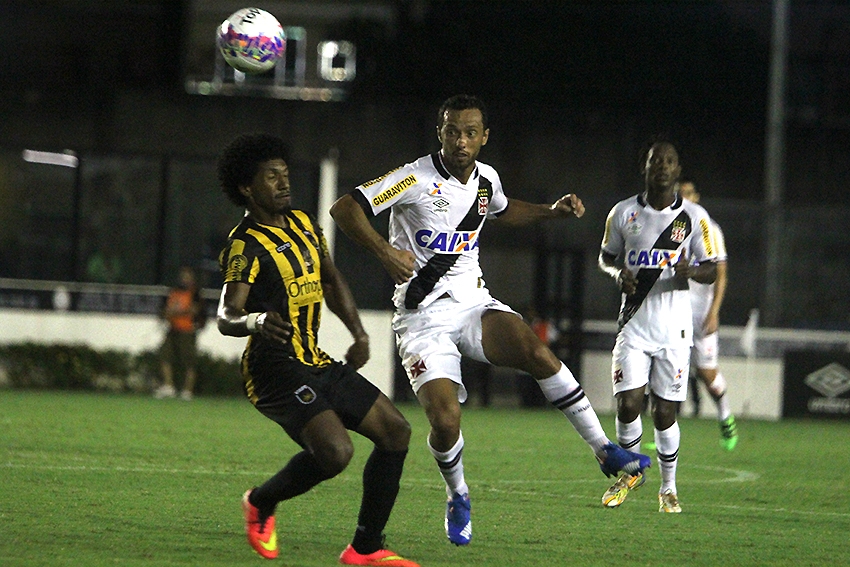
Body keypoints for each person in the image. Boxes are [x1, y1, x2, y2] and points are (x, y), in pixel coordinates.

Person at [330, 94, 650, 546]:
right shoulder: (412, 178)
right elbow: (345, 208)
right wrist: (384, 252)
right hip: (422, 318)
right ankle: (457, 493)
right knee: (445, 421)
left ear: (484, 137)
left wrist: (549, 211)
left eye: (470, 132)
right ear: (439, 132)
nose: (461, 141)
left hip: (472, 304)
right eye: (452, 131)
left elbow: (502, 209)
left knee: (537, 352)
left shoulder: (485, 180)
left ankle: (605, 451)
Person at [215, 133, 419, 567]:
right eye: (271, 177)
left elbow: (329, 279)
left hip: (314, 360)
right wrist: (255, 320)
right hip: (273, 369)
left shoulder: (306, 224)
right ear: (247, 188)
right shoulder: (244, 245)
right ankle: (260, 503)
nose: (283, 183)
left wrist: (359, 334)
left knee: (396, 432)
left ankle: (365, 549)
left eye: (285, 175)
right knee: (335, 453)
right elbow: (225, 316)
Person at [598, 142, 718, 513]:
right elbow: (605, 257)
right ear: (645, 167)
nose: (662, 167)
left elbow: (712, 267)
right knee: (627, 403)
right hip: (633, 324)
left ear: (677, 168)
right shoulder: (622, 213)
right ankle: (630, 473)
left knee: (665, 413)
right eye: (655, 161)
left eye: (669, 161)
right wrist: (618, 273)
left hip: (675, 330)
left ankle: (668, 488)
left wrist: (692, 271)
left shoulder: (696, 217)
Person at [678, 180, 739, 451]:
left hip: (701, 313)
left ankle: (725, 415)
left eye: (688, 194)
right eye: (680, 195)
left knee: (707, 374)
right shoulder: (670, 226)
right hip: (673, 310)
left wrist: (714, 312)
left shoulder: (709, 229)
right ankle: (665, 434)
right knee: (665, 369)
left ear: (696, 196)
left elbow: (721, 274)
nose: (684, 198)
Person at [154, 266, 204, 401]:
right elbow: (164, 309)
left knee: (188, 361)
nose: (184, 279)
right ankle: (168, 386)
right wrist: (167, 314)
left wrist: (176, 312)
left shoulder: (195, 293)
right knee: (165, 355)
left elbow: (195, 310)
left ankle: (188, 390)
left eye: (187, 276)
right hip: (172, 329)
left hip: (187, 330)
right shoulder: (173, 291)